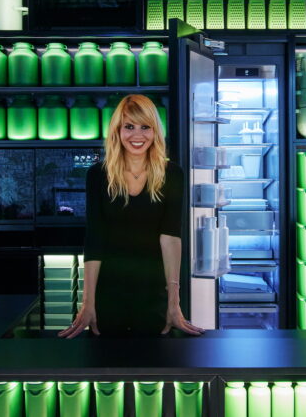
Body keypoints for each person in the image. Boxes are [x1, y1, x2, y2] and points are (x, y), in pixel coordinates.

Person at [60, 94, 203, 338]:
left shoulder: (172, 174)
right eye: (129, 126)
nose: (137, 135)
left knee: (156, 369)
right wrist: (88, 302)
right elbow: (95, 239)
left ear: (155, 131)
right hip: (108, 291)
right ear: (117, 130)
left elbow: (170, 237)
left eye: (145, 127)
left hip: (155, 290)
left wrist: (173, 302)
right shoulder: (97, 175)